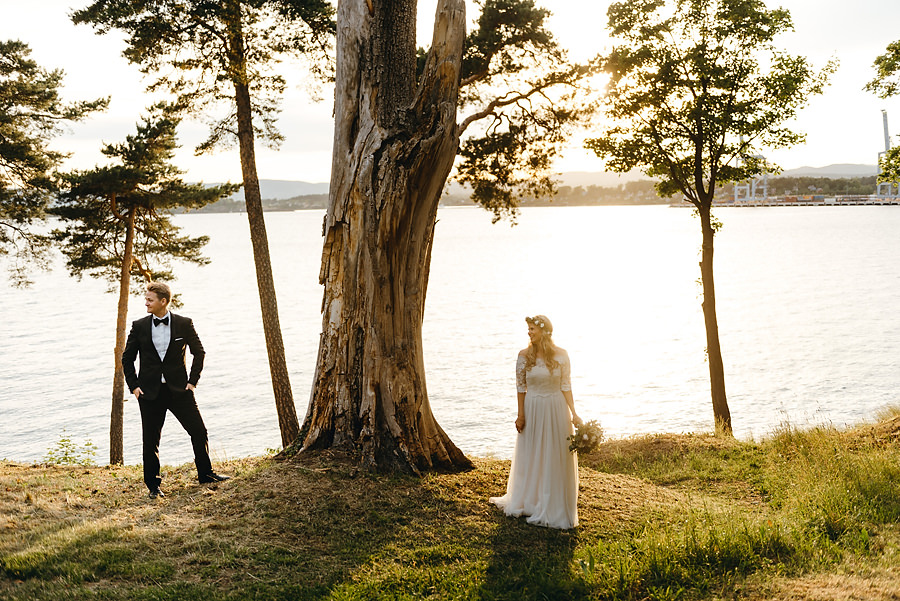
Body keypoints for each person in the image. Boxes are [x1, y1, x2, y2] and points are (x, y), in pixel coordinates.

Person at [122, 281, 229, 499]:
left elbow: (199, 352)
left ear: (163, 301)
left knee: (199, 431)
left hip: (179, 390)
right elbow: (127, 358)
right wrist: (134, 387)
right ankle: (153, 486)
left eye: (150, 300)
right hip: (149, 393)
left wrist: (192, 381)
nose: (146, 303)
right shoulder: (139, 326)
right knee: (150, 441)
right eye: (146, 299)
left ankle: (206, 474)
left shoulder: (184, 323)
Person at [490, 314, 582, 529]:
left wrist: (574, 414)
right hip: (533, 407)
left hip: (556, 408)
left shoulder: (562, 355)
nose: (529, 332)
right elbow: (521, 388)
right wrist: (520, 415)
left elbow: (566, 386)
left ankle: (553, 502)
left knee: (554, 453)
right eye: (528, 329)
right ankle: (529, 500)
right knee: (532, 452)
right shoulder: (524, 356)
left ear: (544, 331)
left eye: (533, 329)